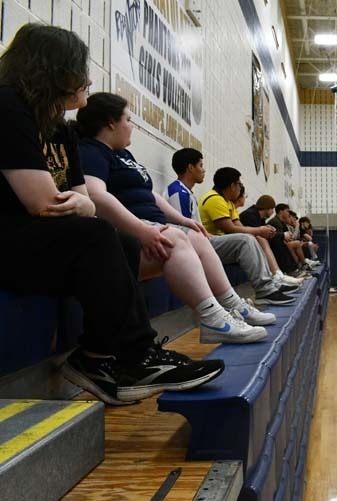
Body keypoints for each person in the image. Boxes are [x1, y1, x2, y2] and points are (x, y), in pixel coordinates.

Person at [0, 23, 223, 405]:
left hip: (38, 238)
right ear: (54, 70)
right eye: (78, 72)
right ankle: (138, 356)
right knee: (99, 236)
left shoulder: (61, 130)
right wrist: (78, 205)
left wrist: (79, 205)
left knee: (120, 241)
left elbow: (82, 202)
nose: (86, 83)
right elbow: (43, 203)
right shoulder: (7, 105)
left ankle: (98, 358)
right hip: (8, 237)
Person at [76, 92, 273, 344]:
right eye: (128, 118)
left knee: (196, 237)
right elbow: (95, 195)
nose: (132, 125)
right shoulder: (91, 151)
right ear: (111, 122)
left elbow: (151, 195)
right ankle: (212, 318)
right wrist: (140, 230)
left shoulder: (124, 155)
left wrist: (185, 220)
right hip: (128, 232)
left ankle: (233, 307)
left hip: (154, 225)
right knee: (176, 239)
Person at [166, 149, 297, 305]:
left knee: (249, 238)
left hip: (203, 240)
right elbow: (184, 232)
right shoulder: (180, 192)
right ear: (190, 168)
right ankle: (266, 289)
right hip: (193, 246)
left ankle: (270, 282)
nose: (204, 170)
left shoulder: (189, 193)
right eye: (201, 165)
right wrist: (258, 231)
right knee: (245, 240)